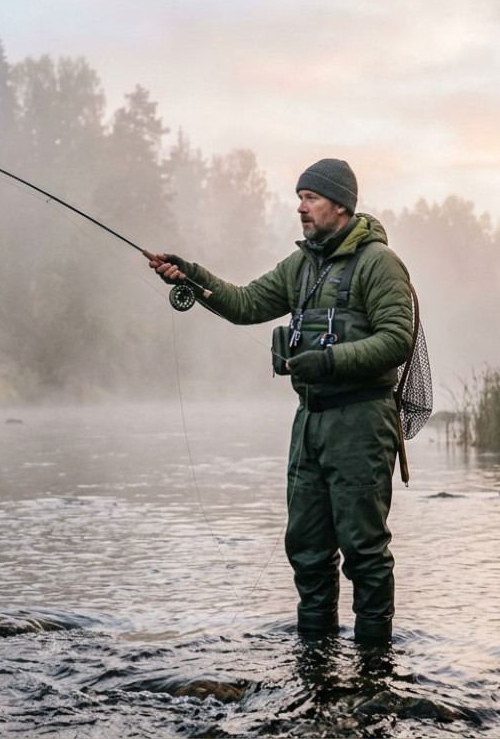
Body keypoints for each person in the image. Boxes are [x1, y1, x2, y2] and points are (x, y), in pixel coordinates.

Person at [150, 158, 414, 643]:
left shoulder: (379, 263)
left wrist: (327, 362)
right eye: (300, 197)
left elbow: (398, 339)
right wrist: (188, 275)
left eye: (310, 197)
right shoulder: (301, 264)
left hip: (361, 423)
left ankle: (377, 671)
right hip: (309, 425)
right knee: (308, 549)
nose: (301, 207)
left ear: (341, 204)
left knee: (364, 551)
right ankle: (315, 661)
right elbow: (246, 303)